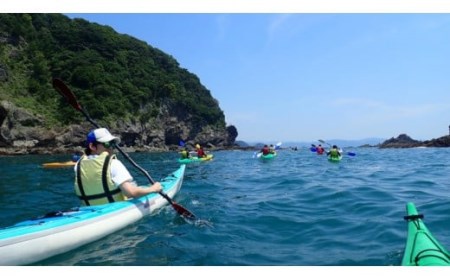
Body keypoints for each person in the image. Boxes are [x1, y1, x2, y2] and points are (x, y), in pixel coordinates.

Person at [74, 128, 162, 206]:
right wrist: (153, 189)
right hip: (114, 210)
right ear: (92, 146)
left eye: (113, 144)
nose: (111, 148)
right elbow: (131, 193)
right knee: (134, 186)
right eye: (107, 144)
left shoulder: (78, 165)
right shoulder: (113, 163)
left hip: (90, 212)